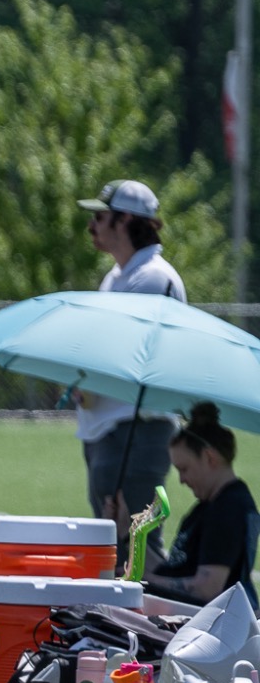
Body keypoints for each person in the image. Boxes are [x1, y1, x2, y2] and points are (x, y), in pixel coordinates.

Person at [75, 179, 188, 563]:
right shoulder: (119, 277)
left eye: (100, 216)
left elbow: (129, 357)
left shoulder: (153, 278)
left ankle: (166, 619)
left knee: (137, 547)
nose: (92, 225)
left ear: (125, 221)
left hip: (136, 430)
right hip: (111, 428)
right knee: (115, 547)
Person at [145, 403, 258, 607]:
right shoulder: (208, 506)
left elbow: (207, 588)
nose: (181, 479)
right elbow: (174, 568)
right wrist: (128, 532)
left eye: (184, 468)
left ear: (209, 457)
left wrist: (144, 582)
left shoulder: (228, 508)